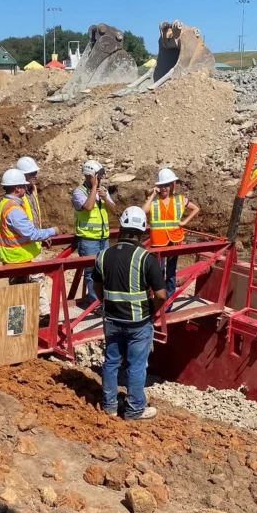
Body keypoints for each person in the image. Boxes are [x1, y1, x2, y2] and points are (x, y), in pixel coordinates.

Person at [92, 207, 166, 421]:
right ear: (142, 231)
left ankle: (110, 406)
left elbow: (97, 287)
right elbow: (161, 295)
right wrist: (151, 311)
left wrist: (107, 304)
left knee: (111, 362)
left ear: (121, 228)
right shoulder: (146, 258)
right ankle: (134, 410)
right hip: (137, 323)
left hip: (112, 320)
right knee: (136, 366)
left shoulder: (103, 255)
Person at [0, 169, 57, 315]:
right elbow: (31, 233)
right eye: (23, 186)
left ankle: (20, 328)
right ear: (17, 188)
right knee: (24, 293)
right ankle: (40, 323)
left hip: (14, 258)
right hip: (20, 259)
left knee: (19, 296)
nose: (25, 188)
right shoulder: (13, 210)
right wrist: (52, 231)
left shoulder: (5, 203)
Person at [142, 168, 200, 299]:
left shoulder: (180, 199)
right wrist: (152, 195)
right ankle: (159, 297)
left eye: (166, 185)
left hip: (174, 238)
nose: (164, 188)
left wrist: (185, 222)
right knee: (158, 271)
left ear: (172, 186)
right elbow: (143, 211)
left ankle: (169, 299)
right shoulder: (154, 200)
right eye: (161, 185)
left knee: (171, 271)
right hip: (158, 241)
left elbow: (196, 208)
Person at [72, 160, 118, 306]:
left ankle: (104, 301)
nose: (100, 179)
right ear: (90, 175)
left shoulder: (102, 190)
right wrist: (93, 188)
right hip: (88, 239)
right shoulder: (78, 192)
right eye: (98, 176)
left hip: (103, 238)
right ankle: (96, 305)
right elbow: (89, 206)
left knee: (104, 271)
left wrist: (105, 197)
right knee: (92, 273)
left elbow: (114, 210)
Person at [15, 156, 45, 231]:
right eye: (32, 173)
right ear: (22, 174)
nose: (35, 176)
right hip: (26, 238)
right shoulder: (16, 194)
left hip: (36, 237)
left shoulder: (34, 189)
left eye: (35, 172)